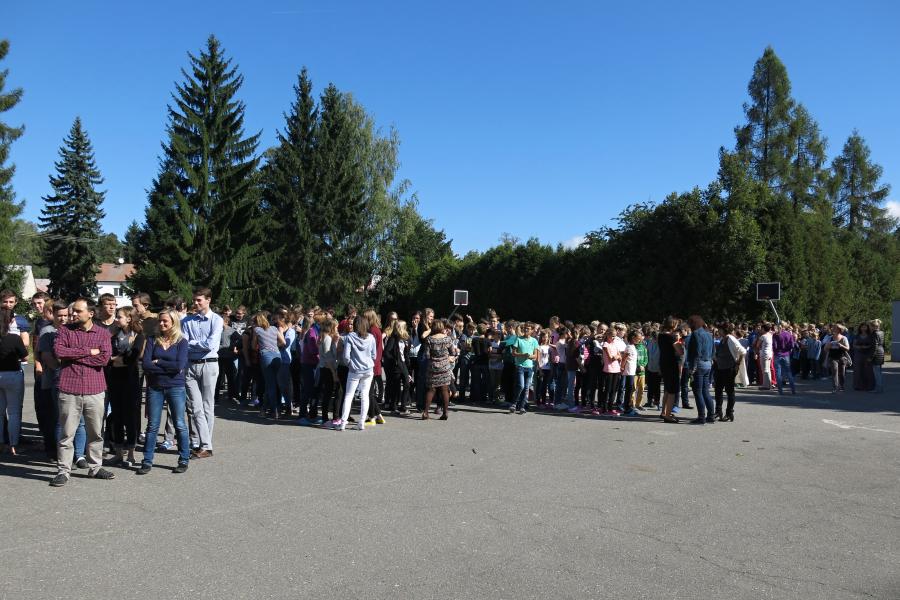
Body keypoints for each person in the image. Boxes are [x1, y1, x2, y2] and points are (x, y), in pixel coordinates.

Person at [49, 298, 115, 487]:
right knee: (67, 434)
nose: (73, 314)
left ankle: (95, 468)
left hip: (95, 390)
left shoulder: (103, 333)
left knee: (95, 432)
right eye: (73, 311)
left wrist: (75, 355)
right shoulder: (65, 331)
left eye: (78, 311)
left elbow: (103, 359)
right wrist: (89, 351)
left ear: (90, 313)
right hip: (69, 389)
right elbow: (60, 352)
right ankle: (63, 471)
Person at [139, 309, 190, 474]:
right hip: (155, 387)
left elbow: (179, 366)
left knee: (179, 424)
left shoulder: (181, 342)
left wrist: (159, 361)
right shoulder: (152, 339)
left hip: (176, 387)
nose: (161, 323)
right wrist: (167, 367)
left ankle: (184, 459)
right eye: (159, 321)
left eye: (165, 321)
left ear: (174, 322)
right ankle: (147, 461)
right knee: (152, 425)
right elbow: (146, 365)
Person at [181, 288, 223, 458]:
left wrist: (192, 343)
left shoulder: (216, 320)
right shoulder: (187, 321)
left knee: (207, 406)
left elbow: (210, 345)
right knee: (194, 406)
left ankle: (205, 445)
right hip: (190, 365)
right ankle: (201, 443)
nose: (196, 303)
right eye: (194, 300)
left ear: (208, 300)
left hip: (209, 364)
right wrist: (197, 344)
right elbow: (183, 344)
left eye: (199, 300)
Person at [107, 306, 145, 467]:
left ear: (129, 318)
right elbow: (107, 357)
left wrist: (116, 359)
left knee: (130, 417)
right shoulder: (114, 336)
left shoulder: (138, 336)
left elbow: (133, 357)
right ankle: (118, 453)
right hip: (115, 379)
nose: (116, 319)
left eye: (119, 317)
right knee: (117, 416)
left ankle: (131, 454)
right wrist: (117, 359)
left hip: (130, 380)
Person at [334, 315, 377, 431]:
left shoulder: (350, 337)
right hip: (368, 370)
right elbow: (374, 355)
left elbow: (346, 356)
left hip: (354, 370)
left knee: (349, 395)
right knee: (365, 396)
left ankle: (343, 423)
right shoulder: (371, 337)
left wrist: (350, 365)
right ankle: (361, 422)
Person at [0, 308, 27, 455]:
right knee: (14, 412)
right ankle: (13, 445)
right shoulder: (14, 338)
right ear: (11, 321)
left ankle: (1, 443)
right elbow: (25, 355)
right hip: (12, 374)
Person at [253, 311, 286, 419]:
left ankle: (274, 410)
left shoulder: (257, 330)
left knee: (270, 385)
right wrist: (274, 345)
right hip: (277, 355)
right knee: (272, 384)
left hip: (266, 356)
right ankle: (264, 409)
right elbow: (283, 342)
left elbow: (253, 346)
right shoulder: (274, 329)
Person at [422, 319, 456, 420]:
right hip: (445, 367)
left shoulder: (429, 339)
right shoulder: (447, 339)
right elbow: (453, 352)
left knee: (431, 389)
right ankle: (445, 412)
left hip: (432, 367)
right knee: (444, 390)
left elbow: (427, 355)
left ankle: (425, 412)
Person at [714, 323, 746, 422]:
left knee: (729, 391)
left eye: (719, 329)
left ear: (724, 330)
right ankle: (718, 411)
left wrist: (737, 363)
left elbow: (743, 351)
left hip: (729, 368)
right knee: (718, 390)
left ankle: (729, 413)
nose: (718, 331)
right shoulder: (723, 339)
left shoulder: (731, 339)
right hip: (720, 368)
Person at [383, 319, 413, 415]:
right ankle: (394, 406)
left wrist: (408, 367)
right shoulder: (393, 338)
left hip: (403, 364)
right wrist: (394, 360)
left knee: (407, 383)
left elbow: (406, 354)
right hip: (396, 365)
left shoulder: (407, 339)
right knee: (396, 386)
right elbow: (386, 352)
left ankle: (403, 405)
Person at [511, 323, 539, 414]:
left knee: (526, 388)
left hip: (529, 367)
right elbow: (513, 353)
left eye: (528, 329)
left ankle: (522, 406)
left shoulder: (534, 341)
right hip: (520, 366)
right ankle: (514, 403)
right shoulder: (519, 339)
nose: (526, 330)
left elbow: (535, 356)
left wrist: (529, 356)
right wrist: (522, 355)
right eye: (525, 328)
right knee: (521, 386)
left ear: (532, 330)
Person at [658, 317, 681, 424]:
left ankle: (663, 412)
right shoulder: (671, 337)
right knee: (672, 391)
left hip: (663, 363)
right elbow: (680, 351)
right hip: (671, 364)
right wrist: (679, 341)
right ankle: (668, 416)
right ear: (673, 325)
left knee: (667, 389)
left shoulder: (661, 335)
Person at [772, 322, 797, 395]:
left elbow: (774, 346)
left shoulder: (776, 335)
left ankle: (780, 391)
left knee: (778, 373)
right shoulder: (788, 334)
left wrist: (776, 351)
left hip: (778, 354)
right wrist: (787, 350)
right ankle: (793, 390)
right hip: (786, 355)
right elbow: (792, 345)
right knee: (789, 372)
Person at [826, 324, 851, 392]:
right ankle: (835, 387)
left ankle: (841, 386)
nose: (833, 329)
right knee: (834, 371)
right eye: (833, 328)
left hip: (842, 357)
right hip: (832, 357)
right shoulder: (830, 338)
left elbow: (848, 348)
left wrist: (841, 346)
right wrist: (829, 346)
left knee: (842, 373)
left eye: (835, 328)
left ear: (840, 329)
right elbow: (825, 349)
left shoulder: (844, 338)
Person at [870, 319, 885, 393]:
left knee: (877, 373)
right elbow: (883, 344)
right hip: (881, 351)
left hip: (876, 353)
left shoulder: (874, 333)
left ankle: (878, 389)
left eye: (871, 326)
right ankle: (880, 388)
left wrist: (871, 357)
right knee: (879, 372)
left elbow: (874, 347)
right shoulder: (882, 332)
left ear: (873, 326)